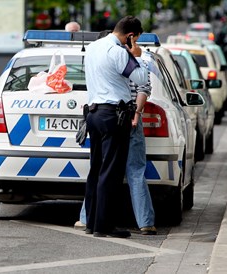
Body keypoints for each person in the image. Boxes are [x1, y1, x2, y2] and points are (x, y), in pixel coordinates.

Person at [83, 16, 148, 238]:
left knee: (96, 169)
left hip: (93, 113)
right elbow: (140, 78)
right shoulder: (119, 52)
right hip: (113, 116)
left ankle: (91, 222)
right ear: (131, 36)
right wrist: (136, 56)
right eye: (135, 39)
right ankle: (104, 226)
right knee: (111, 171)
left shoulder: (93, 47)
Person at [75, 62, 157, 235]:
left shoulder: (108, 61)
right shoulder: (139, 64)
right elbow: (143, 89)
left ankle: (86, 219)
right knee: (135, 171)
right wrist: (137, 114)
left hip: (104, 115)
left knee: (99, 169)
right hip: (127, 115)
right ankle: (145, 223)